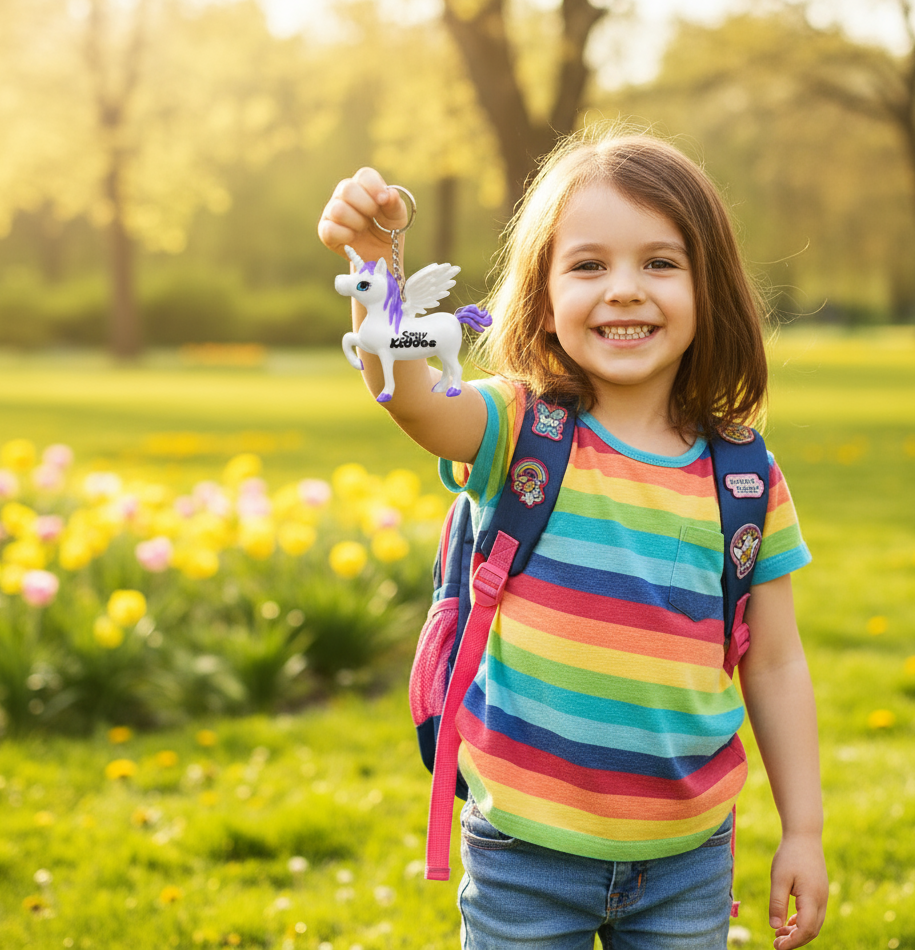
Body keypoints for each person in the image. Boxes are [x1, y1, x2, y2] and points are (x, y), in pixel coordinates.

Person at [318, 127, 828, 950]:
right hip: (526, 851)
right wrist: (376, 273)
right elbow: (410, 399)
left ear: (710, 290)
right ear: (545, 296)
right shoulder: (519, 426)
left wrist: (802, 831)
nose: (624, 290)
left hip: (688, 860)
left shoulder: (745, 477)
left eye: (660, 263)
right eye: (589, 265)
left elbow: (774, 660)